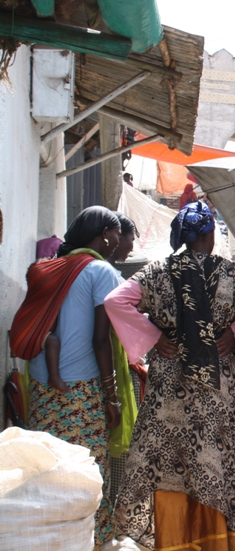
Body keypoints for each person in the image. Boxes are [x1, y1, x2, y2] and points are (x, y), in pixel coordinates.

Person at [104, 202, 235, 550]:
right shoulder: (233, 274)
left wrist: (154, 336)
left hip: (170, 386)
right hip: (219, 386)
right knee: (217, 461)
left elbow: (115, 301)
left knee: (170, 465)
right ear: (211, 235)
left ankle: (174, 543)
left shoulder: (156, 272)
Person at [23, 206, 122, 546]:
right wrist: (111, 396)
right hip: (79, 394)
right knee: (85, 474)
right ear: (105, 234)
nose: (118, 242)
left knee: (47, 471)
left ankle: (48, 540)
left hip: (41, 387)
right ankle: (89, 541)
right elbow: (101, 340)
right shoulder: (100, 272)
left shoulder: (49, 267)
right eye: (117, 235)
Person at [107, 213, 141, 504]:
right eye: (129, 238)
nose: (130, 246)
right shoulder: (106, 276)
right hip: (108, 372)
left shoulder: (108, 273)